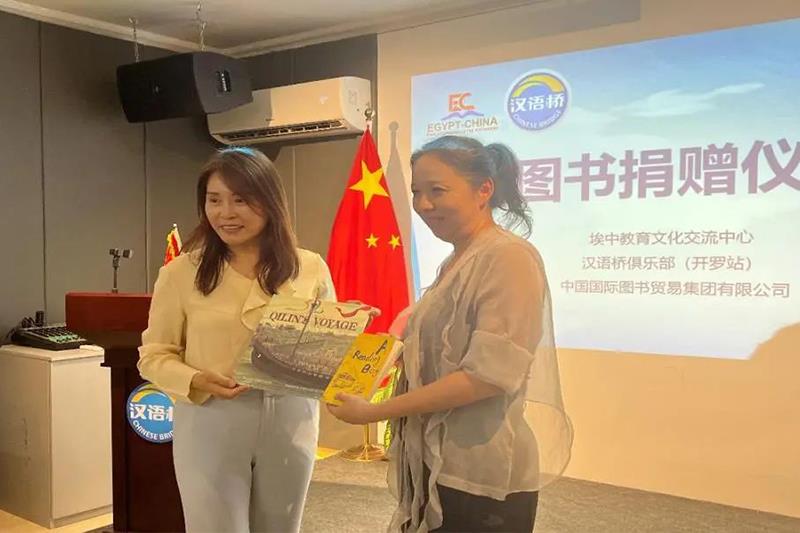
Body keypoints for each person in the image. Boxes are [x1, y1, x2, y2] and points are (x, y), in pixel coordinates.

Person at [328, 135, 573, 532]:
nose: (424, 204)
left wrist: (375, 412)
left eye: (437, 191)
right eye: (416, 192)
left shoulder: (507, 256)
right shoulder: (459, 259)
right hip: (439, 457)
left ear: (484, 190)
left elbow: (488, 377)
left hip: (480, 468)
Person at [138, 147, 336, 533]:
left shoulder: (309, 267)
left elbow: (322, 349)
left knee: (281, 527)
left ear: (270, 201)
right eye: (214, 200)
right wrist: (196, 379)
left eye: (241, 200)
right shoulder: (181, 272)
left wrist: (346, 326)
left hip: (291, 418)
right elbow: (154, 355)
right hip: (211, 417)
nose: (225, 213)